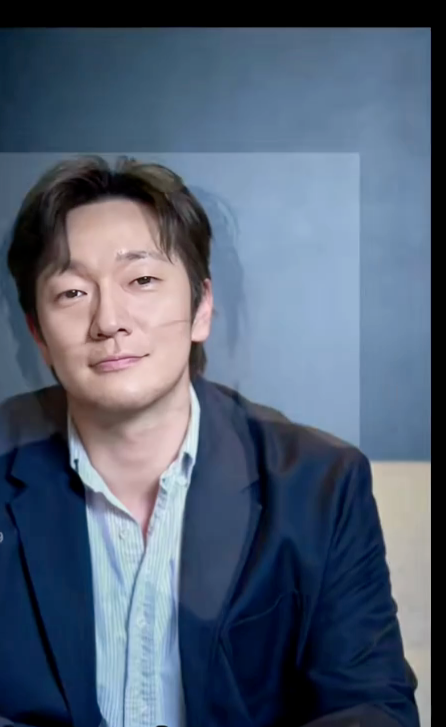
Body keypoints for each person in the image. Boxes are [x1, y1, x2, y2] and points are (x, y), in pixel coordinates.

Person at [0, 156, 419, 727]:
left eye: (142, 280)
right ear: (39, 335)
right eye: (72, 292)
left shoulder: (320, 485)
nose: (109, 321)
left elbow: (372, 707)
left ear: (201, 308)